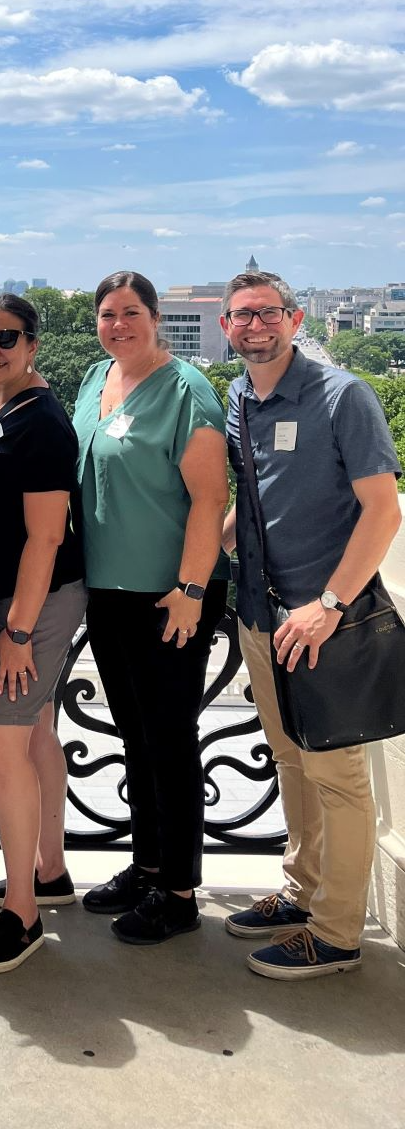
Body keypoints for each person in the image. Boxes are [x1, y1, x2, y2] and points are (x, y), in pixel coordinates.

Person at [221, 270, 401, 979]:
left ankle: (336, 933)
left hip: (327, 622)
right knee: (292, 760)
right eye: (241, 316)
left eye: (267, 314)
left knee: (337, 775)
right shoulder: (238, 396)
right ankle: (302, 891)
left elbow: (383, 512)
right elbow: (258, 494)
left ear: (295, 320)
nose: (253, 326)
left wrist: (328, 605)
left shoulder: (342, 396)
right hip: (263, 615)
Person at [73, 271, 230, 944]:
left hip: (172, 596)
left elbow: (208, 498)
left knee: (170, 740)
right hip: (107, 591)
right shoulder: (93, 378)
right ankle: (147, 864)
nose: (118, 326)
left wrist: (192, 591)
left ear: (156, 317)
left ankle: (180, 890)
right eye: (108, 315)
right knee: (136, 736)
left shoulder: (187, 390)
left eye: (130, 313)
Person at [0, 294, 86, 974]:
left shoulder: (41, 421)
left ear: (33, 344)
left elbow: (45, 537)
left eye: (6, 337)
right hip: (20, 595)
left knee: (1, 737)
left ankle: (23, 913)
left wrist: (16, 631)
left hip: (35, 602)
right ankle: (49, 871)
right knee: (35, 734)